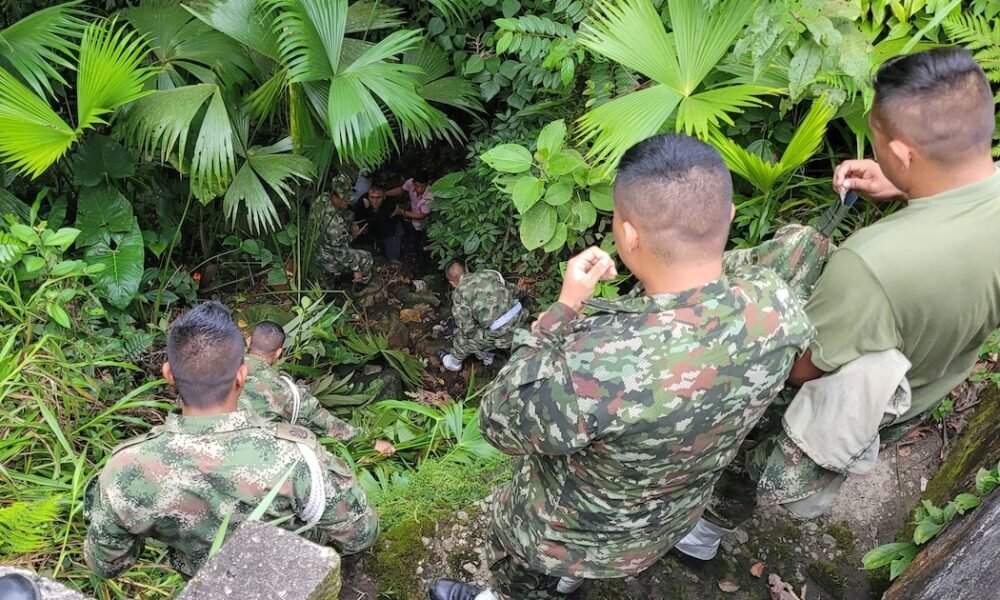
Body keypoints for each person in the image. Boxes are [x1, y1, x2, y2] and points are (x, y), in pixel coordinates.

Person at [428, 134, 813, 600]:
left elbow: (498, 422)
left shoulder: (594, 365)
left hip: (565, 533)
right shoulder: (778, 306)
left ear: (627, 235)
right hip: (669, 518)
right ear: (729, 217)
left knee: (521, 584)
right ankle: (569, 582)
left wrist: (565, 308)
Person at [677, 46, 1000, 562]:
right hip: (923, 383)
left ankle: (701, 531)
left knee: (752, 443)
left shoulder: (872, 264)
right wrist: (907, 187)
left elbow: (804, 369)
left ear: (905, 151)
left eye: (879, 140)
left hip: (856, 391)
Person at [84, 302, 378, 579]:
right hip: (288, 584)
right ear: (241, 375)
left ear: (168, 374)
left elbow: (107, 564)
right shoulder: (297, 458)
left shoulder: (124, 470)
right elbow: (361, 534)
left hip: (203, 587)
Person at [242, 321, 359, 441]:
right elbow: (318, 419)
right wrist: (365, 440)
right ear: (278, 353)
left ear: (249, 341)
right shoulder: (281, 388)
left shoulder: (224, 363)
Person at [437, 260, 531, 372]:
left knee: (463, 340)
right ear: (467, 269)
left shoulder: (459, 295)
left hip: (503, 335)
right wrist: (522, 290)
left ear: (452, 283)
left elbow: (468, 330)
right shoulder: (490, 274)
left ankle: (453, 363)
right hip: (522, 319)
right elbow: (515, 291)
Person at [314, 182, 373, 286]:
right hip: (328, 259)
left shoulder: (321, 199)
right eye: (345, 199)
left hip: (316, 244)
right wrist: (356, 269)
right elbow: (341, 254)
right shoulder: (336, 226)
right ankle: (362, 284)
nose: (349, 202)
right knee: (367, 257)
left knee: (349, 215)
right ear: (334, 197)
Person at [387, 172, 434, 263]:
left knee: (423, 246)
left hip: (427, 225)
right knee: (413, 242)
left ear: (427, 184)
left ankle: (423, 263)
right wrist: (385, 194)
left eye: (423, 186)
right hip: (413, 223)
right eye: (417, 186)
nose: (419, 189)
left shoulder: (430, 196)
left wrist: (401, 212)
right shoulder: (410, 183)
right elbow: (401, 190)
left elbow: (422, 215)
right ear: (413, 183)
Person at [355, 185, 404, 261]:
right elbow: (356, 218)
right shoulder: (362, 201)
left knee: (393, 259)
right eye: (372, 197)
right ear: (368, 197)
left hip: (391, 231)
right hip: (372, 231)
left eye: (378, 198)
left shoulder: (389, 203)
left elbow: (379, 220)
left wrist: (368, 210)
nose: (375, 201)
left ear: (384, 197)